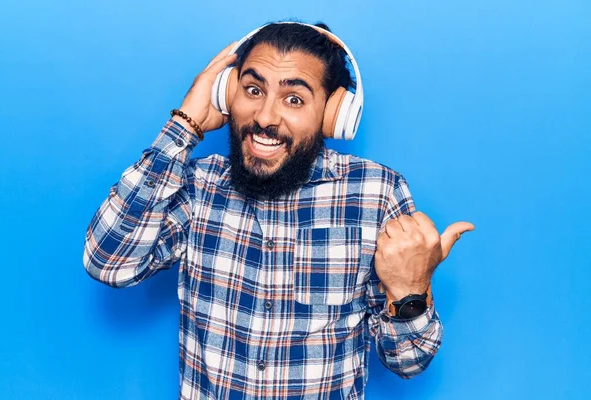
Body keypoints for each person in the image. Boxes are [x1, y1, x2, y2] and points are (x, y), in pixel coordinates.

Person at [83, 21, 475, 400]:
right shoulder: (197, 186)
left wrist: (410, 291)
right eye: (253, 90)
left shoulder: (375, 193)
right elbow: (109, 262)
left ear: (333, 114)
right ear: (227, 95)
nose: (265, 118)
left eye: (294, 99)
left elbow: (409, 362)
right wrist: (183, 126)